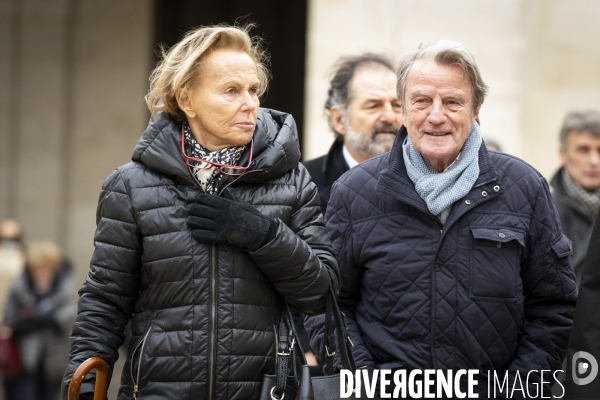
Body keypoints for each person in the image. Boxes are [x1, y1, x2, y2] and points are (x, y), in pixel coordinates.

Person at [61, 25, 339, 400]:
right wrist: (84, 383)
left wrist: (263, 235)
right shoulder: (130, 185)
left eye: (253, 90)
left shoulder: (291, 180)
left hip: (263, 391)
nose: (250, 103)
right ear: (187, 99)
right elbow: (105, 301)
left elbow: (321, 293)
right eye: (231, 91)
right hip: (158, 392)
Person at [305, 40, 577, 397]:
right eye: (421, 101)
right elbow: (329, 307)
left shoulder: (525, 188)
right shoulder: (355, 192)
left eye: (452, 102)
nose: (436, 116)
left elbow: (554, 308)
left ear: (476, 108)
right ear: (403, 107)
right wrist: (365, 387)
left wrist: (516, 391)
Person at [303, 53, 403, 214]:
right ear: (339, 119)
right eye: (374, 106)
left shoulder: (426, 182)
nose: (389, 116)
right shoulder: (301, 185)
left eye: (397, 105)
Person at [2, 241, 77, 400]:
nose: (42, 274)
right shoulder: (20, 285)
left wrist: (38, 319)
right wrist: (26, 324)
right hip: (25, 356)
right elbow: (10, 318)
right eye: (37, 269)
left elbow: (69, 313)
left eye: (46, 269)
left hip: (55, 356)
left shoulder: (65, 284)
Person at [550, 110, 600, 284]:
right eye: (583, 150)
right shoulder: (545, 211)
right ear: (563, 155)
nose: (594, 161)